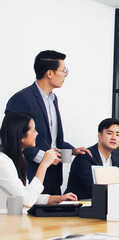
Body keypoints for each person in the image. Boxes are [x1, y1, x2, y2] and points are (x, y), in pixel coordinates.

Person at [5, 50, 91, 195]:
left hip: (53, 174)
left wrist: (73, 151)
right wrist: (43, 158)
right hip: (31, 172)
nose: (65, 75)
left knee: (55, 212)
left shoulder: (53, 99)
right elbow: (12, 137)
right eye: (63, 70)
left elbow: (55, 140)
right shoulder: (21, 99)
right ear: (49, 73)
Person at [0, 111, 77, 209]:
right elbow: (27, 201)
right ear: (21, 136)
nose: (37, 133)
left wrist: (59, 198)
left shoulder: (18, 158)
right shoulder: (2, 162)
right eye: (33, 130)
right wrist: (44, 164)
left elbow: (29, 195)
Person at [65, 118, 119, 200]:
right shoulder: (85, 157)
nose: (114, 138)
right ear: (99, 135)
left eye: (118, 135)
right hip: (78, 207)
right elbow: (92, 189)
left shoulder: (114, 157)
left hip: (101, 204)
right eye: (110, 133)